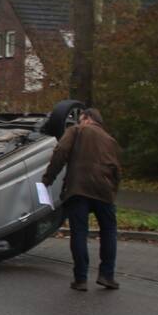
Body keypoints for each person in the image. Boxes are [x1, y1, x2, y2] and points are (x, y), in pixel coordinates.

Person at [41, 108, 122, 291]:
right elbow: (117, 171)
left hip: (78, 189)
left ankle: (81, 279)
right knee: (108, 231)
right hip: (105, 192)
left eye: (80, 118)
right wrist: (112, 193)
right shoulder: (111, 140)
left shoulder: (77, 131)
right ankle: (107, 275)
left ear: (87, 118)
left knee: (79, 232)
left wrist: (48, 179)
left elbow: (61, 151)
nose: (78, 121)